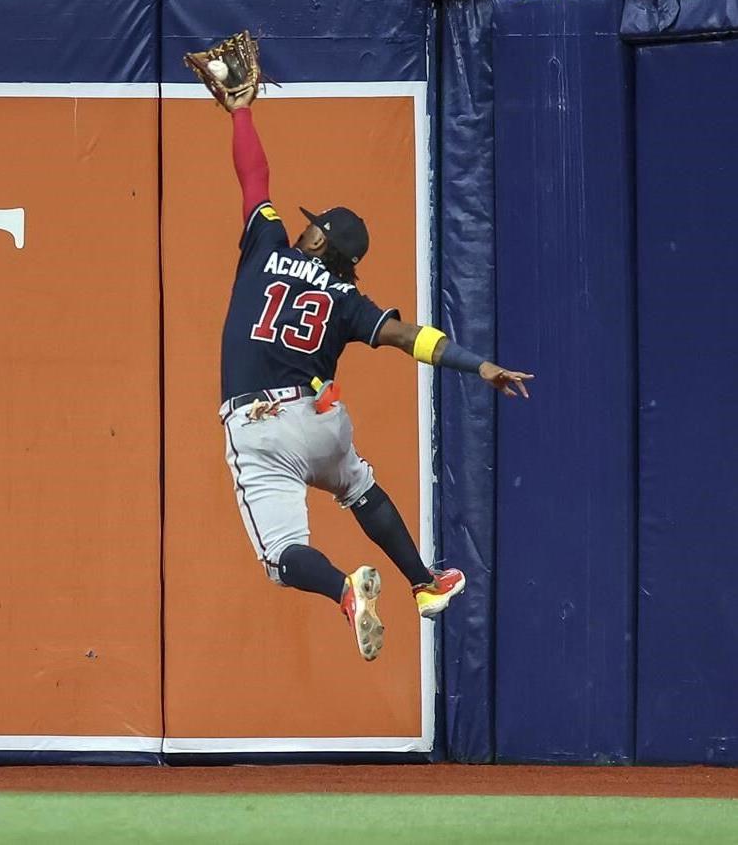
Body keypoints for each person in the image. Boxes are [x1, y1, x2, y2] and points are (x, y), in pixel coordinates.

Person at [218, 86, 533, 661]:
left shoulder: (266, 246)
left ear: (316, 238)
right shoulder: (348, 297)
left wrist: (241, 110)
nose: (303, 227)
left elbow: (254, 178)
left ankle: (343, 590)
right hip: (320, 418)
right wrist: (478, 363)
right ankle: (423, 583)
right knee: (358, 486)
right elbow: (412, 338)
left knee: (282, 556)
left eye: (311, 226)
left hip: (260, 423)